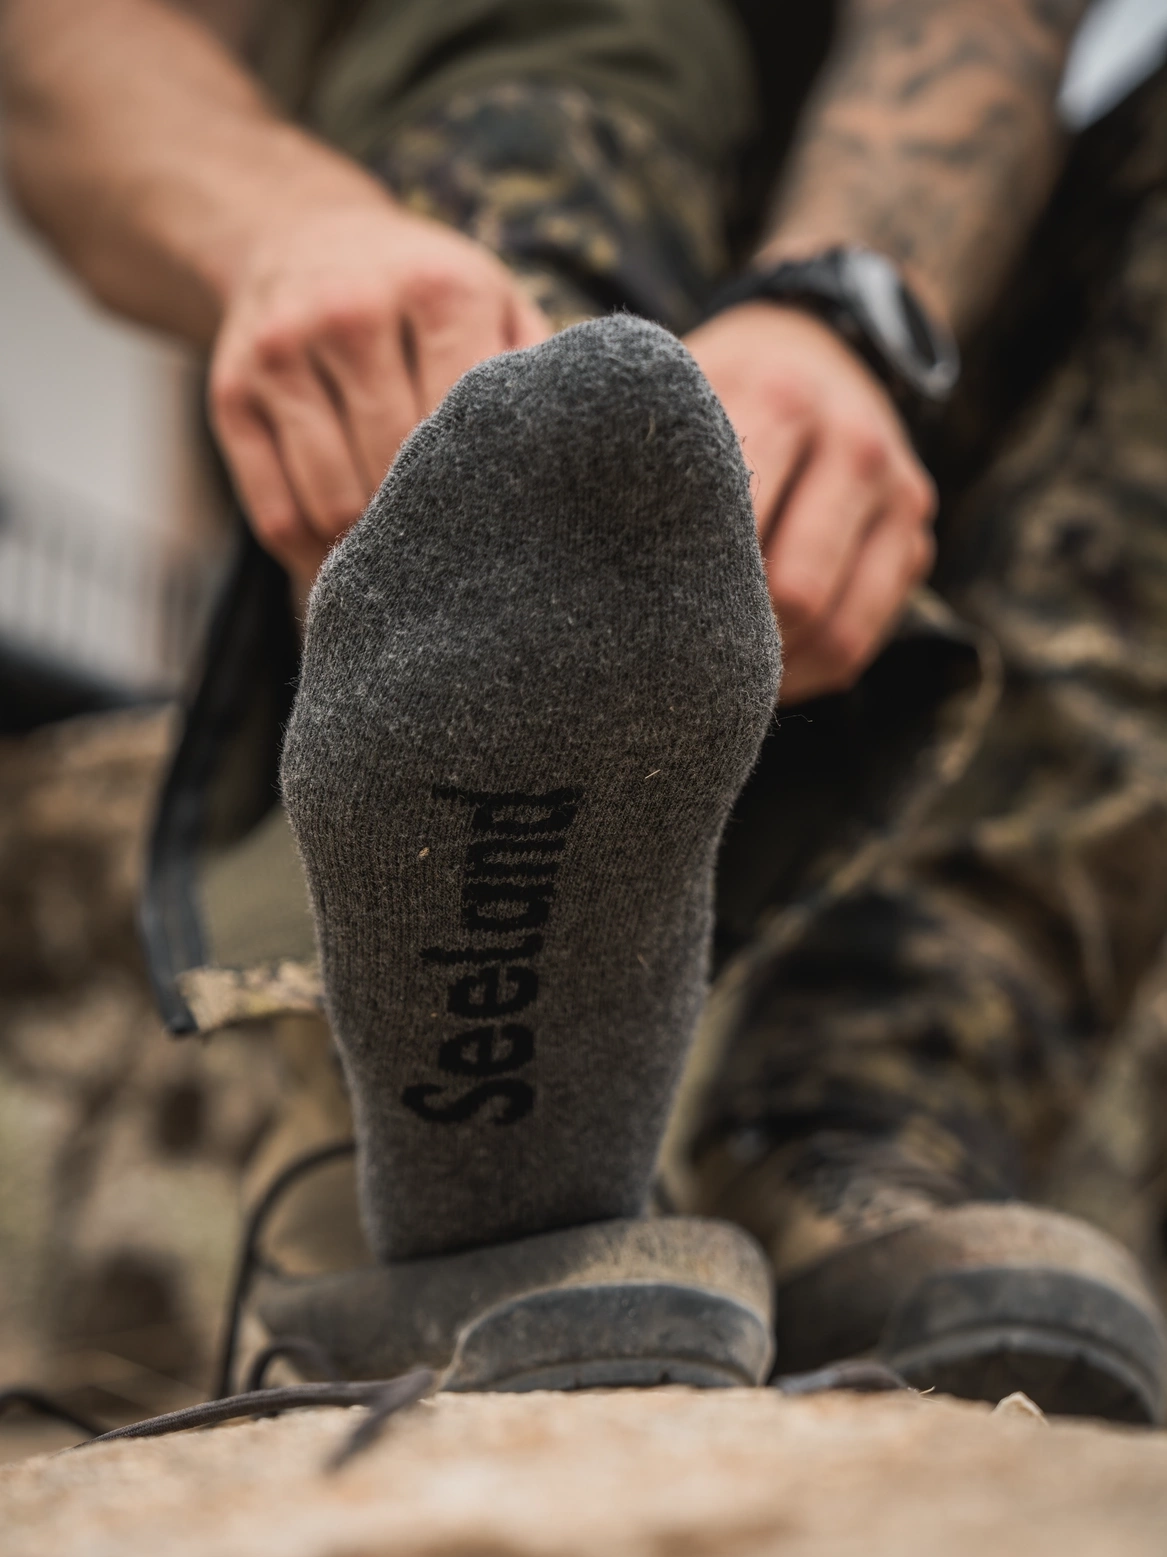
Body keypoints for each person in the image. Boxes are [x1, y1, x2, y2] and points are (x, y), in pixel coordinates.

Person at [2, 0, 1165, 1417]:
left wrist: (840, 315)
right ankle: (441, 1125)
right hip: (422, 244)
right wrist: (286, 228)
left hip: (891, 376)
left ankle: (862, 1109)